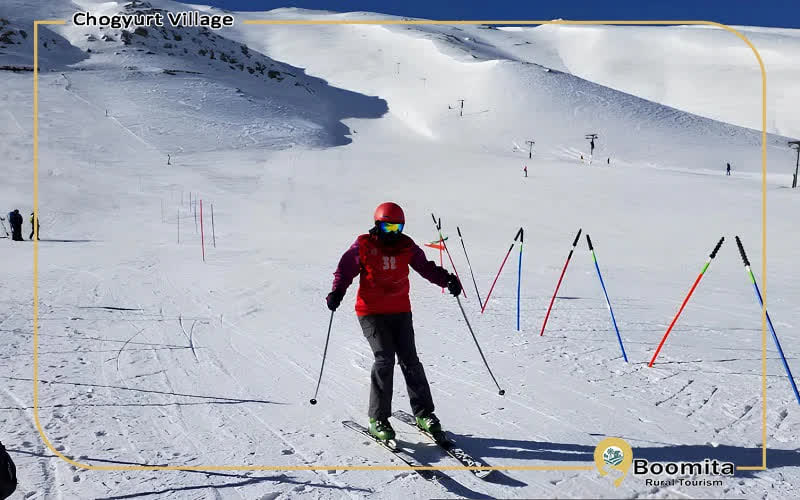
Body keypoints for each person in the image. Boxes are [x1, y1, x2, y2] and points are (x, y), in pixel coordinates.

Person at [326, 202, 461, 442]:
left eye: (397, 228)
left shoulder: (406, 246)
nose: (393, 233)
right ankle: (378, 418)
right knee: (384, 358)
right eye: (388, 228)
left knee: (410, 360)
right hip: (371, 312)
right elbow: (344, 270)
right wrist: (337, 292)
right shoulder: (364, 245)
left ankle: (424, 414)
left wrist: (446, 279)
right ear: (377, 225)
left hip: (400, 311)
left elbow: (425, 267)